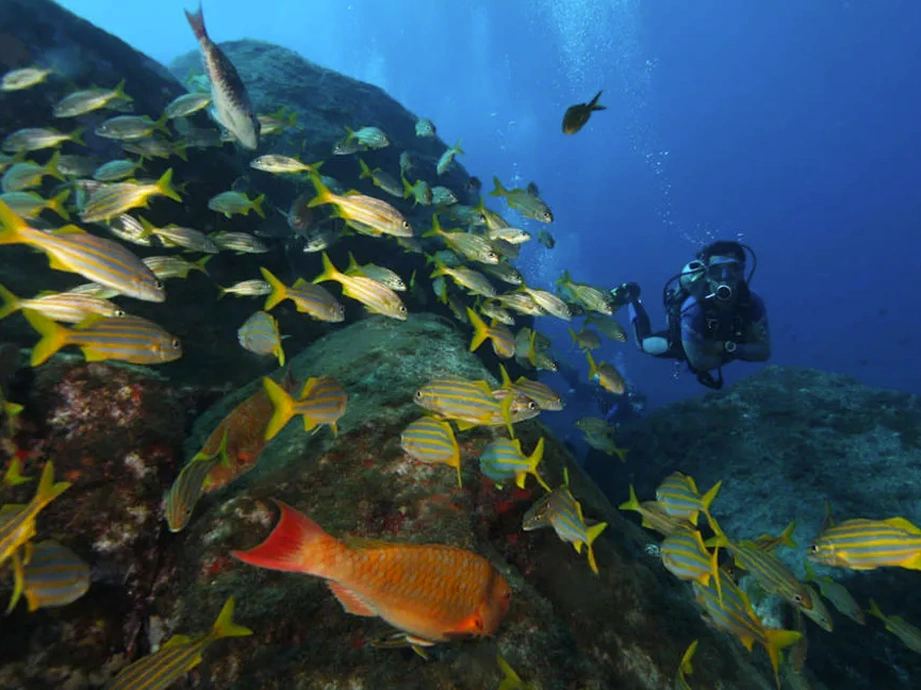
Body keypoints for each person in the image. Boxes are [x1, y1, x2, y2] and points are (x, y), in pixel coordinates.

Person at [611, 240, 771, 390]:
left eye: (733, 269)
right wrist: (737, 349)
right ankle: (631, 297)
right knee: (642, 343)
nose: (725, 278)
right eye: (716, 271)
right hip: (681, 344)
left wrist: (722, 347)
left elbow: (764, 352)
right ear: (707, 274)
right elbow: (697, 362)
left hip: (710, 343)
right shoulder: (694, 308)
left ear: (743, 271)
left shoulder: (752, 302)